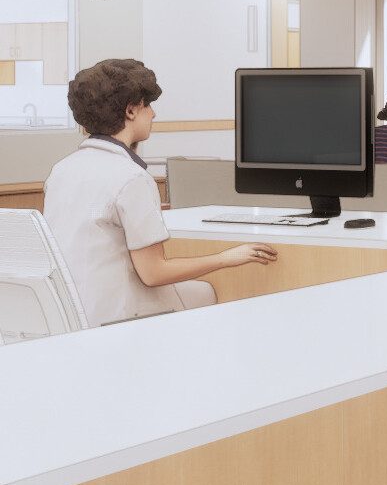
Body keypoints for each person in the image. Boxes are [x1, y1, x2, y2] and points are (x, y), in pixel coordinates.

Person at [43, 59, 277, 328]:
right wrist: (227, 258)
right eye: (148, 105)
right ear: (131, 110)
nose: (153, 114)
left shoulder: (60, 172)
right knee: (208, 293)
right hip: (115, 317)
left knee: (196, 292)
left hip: (68, 314)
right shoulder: (131, 178)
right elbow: (154, 273)